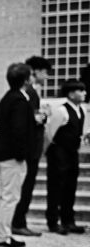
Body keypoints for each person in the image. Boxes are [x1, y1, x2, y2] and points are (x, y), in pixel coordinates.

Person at [0, 63, 33, 247]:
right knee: (10, 197)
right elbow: (18, 130)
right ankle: (3, 235)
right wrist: (22, 154)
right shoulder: (18, 100)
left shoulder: (8, 98)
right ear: (26, 80)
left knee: (6, 197)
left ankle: (4, 233)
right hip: (12, 156)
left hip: (5, 154)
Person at [12, 56, 53, 237]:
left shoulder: (32, 91)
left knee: (27, 186)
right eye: (44, 72)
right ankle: (19, 222)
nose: (46, 77)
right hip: (30, 148)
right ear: (34, 72)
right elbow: (28, 119)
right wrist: (42, 117)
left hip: (31, 146)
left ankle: (20, 220)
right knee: (26, 186)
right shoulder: (29, 92)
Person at [44, 79, 87, 235]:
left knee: (70, 187)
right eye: (80, 91)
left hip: (72, 153)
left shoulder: (81, 110)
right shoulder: (61, 111)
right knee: (56, 187)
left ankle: (68, 221)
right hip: (58, 153)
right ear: (70, 94)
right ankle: (53, 222)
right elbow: (49, 134)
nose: (84, 93)